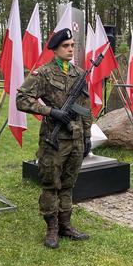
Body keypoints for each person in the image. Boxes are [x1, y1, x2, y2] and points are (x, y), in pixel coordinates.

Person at [16, 28, 92, 248]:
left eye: (72, 46)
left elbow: (85, 107)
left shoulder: (79, 74)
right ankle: (51, 229)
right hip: (54, 139)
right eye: (65, 46)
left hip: (76, 137)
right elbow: (22, 99)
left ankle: (66, 225)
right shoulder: (44, 74)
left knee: (68, 184)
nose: (70, 50)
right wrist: (50, 111)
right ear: (55, 49)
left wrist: (87, 135)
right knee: (51, 185)